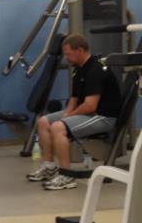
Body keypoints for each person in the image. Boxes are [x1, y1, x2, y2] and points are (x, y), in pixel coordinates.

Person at [26, 33, 121, 190]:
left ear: (80, 50)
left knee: (58, 127)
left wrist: (68, 117)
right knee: (43, 121)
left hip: (102, 117)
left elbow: (90, 105)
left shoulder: (95, 69)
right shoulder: (78, 69)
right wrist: (67, 114)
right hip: (88, 113)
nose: (66, 57)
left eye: (68, 54)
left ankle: (67, 175)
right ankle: (49, 167)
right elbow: (74, 98)